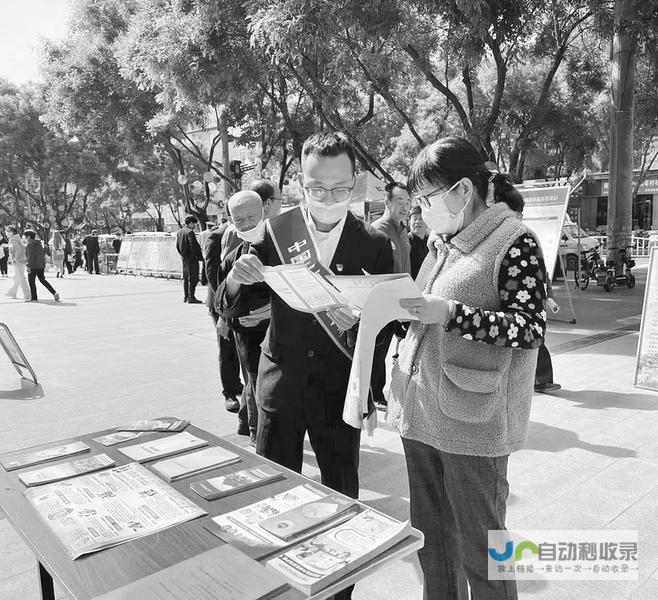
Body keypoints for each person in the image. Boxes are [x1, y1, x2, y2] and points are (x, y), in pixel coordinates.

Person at [388, 137, 547, 600]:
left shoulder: (514, 241)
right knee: (433, 543)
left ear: (462, 191)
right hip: (422, 414)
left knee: (482, 549)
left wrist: (451, 314)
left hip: (473, 423)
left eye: (427, 199)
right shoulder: (445, 242)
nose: (421, 212)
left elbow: (529, 328)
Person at [224, 131, 393, 506]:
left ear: (356, 183)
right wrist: (236, 278)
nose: (328, 198)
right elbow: (230, 305)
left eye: (339, 189)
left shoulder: (374, 243)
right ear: (301, 184)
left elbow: (388, 325)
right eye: (317, 189)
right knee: (274, 495)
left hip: (338, 389)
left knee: (341, 493)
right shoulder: (275, 233)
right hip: (281, 383)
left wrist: (364, 324)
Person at [216, 191, 271, 446]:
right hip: (247, 339)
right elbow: (222, 301)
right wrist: (231, 317)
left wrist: (272, 311)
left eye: (252, 216)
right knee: (252, 386)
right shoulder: (232, 256)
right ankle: (255, 435)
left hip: (282, 337)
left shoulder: (283, 248)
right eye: (239, 219)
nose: (247, 223)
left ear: (265, 212)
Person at [370, 181, 412, 409]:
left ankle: (382, 391)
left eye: (408, 202)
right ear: (387, 202)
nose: (405, 207)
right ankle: (375, 394)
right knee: (377, 350)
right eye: (399, 201)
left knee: (393, 348)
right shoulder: (377, 230)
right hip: (382, 302)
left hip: (402, 300)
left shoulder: (404, 230)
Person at [204, 216, 243, 415]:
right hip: (221, 303)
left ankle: (236, 384)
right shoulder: (216, 237)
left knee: (240, 347)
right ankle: (229, 392)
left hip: (242, 303)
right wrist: (222, 311)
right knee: (227, 347)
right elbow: (212, 276)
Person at [24, 229, 60, 303]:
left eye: (25, 236)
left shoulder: (29, 244)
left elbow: (30, 257)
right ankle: (54, 292)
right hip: (40, 265)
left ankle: (34, 298)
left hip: (33, 266)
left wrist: (28, 266)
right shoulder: (39, 243)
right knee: (43, 280)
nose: (24, 237)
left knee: (31, 282)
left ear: (29, 237)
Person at [176, 216, 204, 304]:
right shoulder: (190, 232)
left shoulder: (180, 232)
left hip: (184, 257)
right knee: (193, 278)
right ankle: (191, 297)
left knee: (186, 278)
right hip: (191, 258)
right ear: (191, 223)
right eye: (194, 224)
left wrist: (182, 254)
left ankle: (186, 296)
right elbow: (194, 245)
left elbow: (177, 246)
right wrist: (198, 256)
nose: (195, 226)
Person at [5, 226, 30, 300]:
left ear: (12, 232)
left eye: (7, 231)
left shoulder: (14, 240)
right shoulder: (16, 239)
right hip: (20, 261)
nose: (6, 233)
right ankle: (13, 292)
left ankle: (27, 295)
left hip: (18, 261)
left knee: (21, 278)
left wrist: (14, 258)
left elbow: (18, 250)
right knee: (17, 278)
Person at [408, 205, 429, 279]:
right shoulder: (405, 242)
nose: (417, 222)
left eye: (421, 219)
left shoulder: (430, 243)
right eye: (415, 219)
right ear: (409, 222)